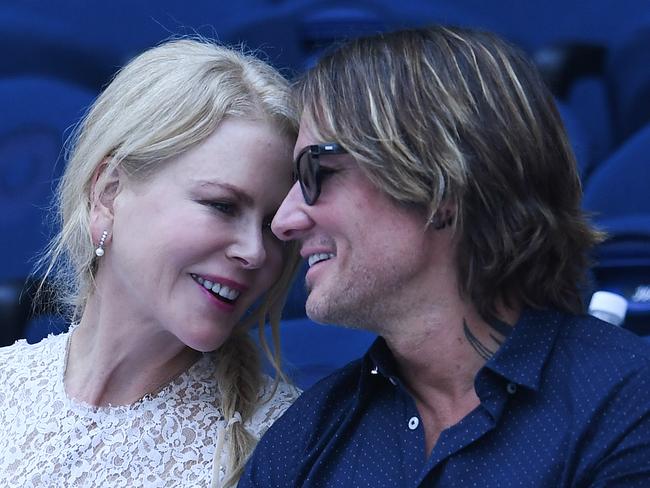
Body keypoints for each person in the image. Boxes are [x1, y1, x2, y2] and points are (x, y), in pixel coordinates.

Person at [240, 26, 650, 487]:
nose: (284, 220)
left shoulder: (627, 403)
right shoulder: (306, 438)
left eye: (316, 171)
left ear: (441, 185)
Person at [0, 38, 302, 487]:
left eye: (273, 226)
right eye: (221, 205)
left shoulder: (286, 445)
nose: (255, 252)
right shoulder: (7, 383)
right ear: (108, 193)